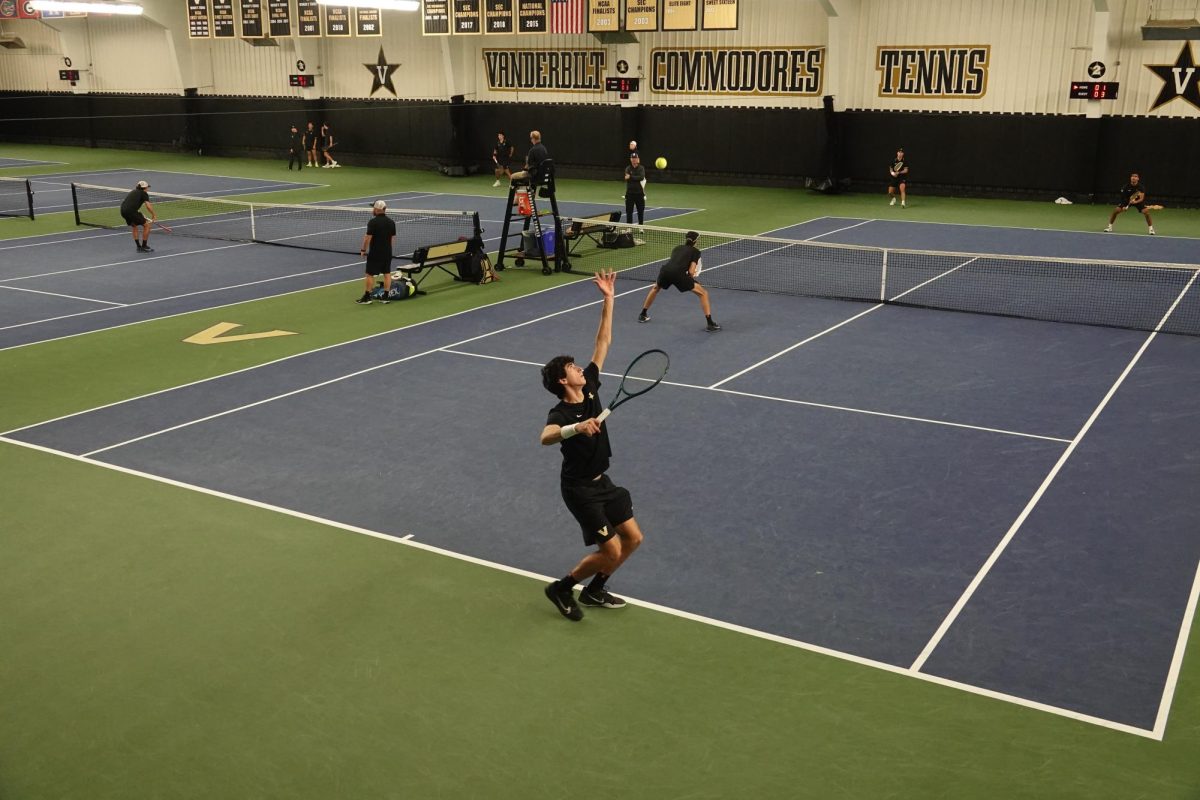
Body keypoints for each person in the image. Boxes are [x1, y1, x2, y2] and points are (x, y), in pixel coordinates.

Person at [540, 269, 643, 621]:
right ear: (561, 380)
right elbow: (545, 438)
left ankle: (596, 588)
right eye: (571, 367)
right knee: (611, 548)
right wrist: (576, 427)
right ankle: (562, 587)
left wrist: (609, 299)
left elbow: (603, 342)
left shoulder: (591, 387)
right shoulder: (560, 410)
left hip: (604, 482)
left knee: (633, 539)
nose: (579, 368)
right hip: (580, 490)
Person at [637, 230, 721, 332]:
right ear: (696, 241)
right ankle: (710, 323)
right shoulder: (696, 252)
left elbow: (676, 262)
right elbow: (691, 271)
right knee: (703, 294)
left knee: (655, 288)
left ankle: (643, 314)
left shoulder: (677, 248)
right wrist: (693, 279)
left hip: (665, 271)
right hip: (678, 274)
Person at [356, 200, 396, 304]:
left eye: (373, 208)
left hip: (375, 253)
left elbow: (367, 238)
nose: (372, 209)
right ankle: (386, 297)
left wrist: (363, 250)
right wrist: (389, 251)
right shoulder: (391, 222)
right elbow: (392, 239)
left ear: (377, 209)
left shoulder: (373, 222)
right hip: (387, 252)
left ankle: (367, 297)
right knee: (387, 273)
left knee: (369, 274)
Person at [119, 179, 157, 253]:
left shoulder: (133, 192)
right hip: (131, 211)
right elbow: (148, 206)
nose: (148, 189)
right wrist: (154, 215)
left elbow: (129, 204)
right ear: (145, 188)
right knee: (147, 226)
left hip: (123, 211)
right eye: (147, 187)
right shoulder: (144, 193)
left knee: (134, 225)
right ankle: (144, 246)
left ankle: (138, 247)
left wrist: (138, 213)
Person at [624, 151, 646, 225]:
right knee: (629, 212)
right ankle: (629, 228)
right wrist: (634, 177)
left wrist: (631, 177)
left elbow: (641, 177)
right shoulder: (628, 168)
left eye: (635, 158)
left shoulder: (641, 168)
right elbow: (627, 177)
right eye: (632, 158)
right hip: (630, 194)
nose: (634, 159)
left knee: (640, 211)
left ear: (638, 159)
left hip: (639, 194)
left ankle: (641, 227)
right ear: (630, 159)